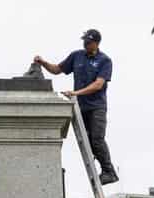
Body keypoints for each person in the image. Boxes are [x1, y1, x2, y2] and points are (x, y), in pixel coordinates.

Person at [34, 29, 118, 185]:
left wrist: (76, 93)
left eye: (88, 42)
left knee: (97, 140)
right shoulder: (77, 56)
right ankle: (100, 168)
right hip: (81, 108)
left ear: (96, 43)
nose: (85, 44)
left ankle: (109, 172)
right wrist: (43, 62)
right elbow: (57, 69)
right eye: (84, 41)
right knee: (88, 141)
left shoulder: (104, 61)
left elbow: (98, 85)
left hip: (96, 107)